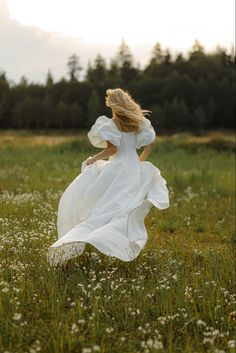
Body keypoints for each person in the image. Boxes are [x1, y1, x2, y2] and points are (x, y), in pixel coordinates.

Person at [46, 88, 169, 267]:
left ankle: (83, 240)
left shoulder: (112, 124)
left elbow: (113, 150)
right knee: (121, 208)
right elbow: (149, 144)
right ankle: (115, 244)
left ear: (111, 103)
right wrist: (139, 162)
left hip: (117, 169)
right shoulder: (138, 123)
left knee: (103, 208)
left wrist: (92, 159)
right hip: (132, 169)